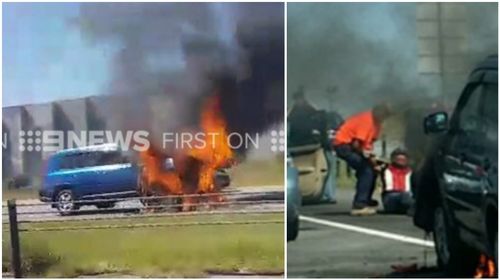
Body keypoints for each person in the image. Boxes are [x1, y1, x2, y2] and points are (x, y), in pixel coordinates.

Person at [333, 104, 391, 215]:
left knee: (372, 170)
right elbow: (356, 144)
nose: (383, 118)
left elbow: (368, 144)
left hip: (355, 147)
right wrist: (369, 159)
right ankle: (359, 204)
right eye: (383, 114)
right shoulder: (366, 120)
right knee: (366, 171)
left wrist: (374, 161)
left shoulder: (377, 124)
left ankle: (366, 199)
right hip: (344, 145)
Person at [381, 148, 414, 214]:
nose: (401, 161)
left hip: (407, 197)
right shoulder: (387, 170)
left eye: (403, 160)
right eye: (398, 159)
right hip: (390, 197)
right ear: (393, 159)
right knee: (404, 195)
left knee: (407, 196)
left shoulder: (411, 172)